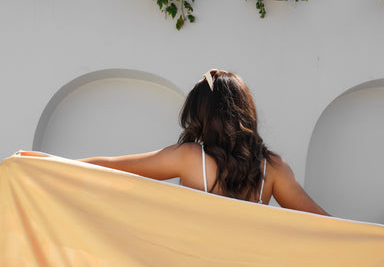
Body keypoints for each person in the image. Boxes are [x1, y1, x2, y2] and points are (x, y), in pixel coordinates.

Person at [28, 70, 329, 215]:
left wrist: (47, 165)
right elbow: (323, 224)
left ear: (203, 115)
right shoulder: (272, 168)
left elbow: (111, 167)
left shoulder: (190, 158)